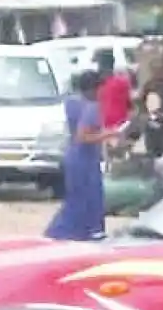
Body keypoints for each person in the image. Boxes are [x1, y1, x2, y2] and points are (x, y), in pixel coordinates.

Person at [45, 70, 121, 241]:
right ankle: (89, 231)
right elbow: (84, 136)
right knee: (90, 198)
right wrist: (109, 134)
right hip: (84, 158)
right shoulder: (92, 107)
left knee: (76, 197)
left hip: (73, 156)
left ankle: (67, 232)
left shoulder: (71, 103)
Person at [94, 48, 131, 132]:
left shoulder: (98, 85)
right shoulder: (123, 82)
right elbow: (129, 104)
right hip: (119, 126)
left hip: (109, 127)